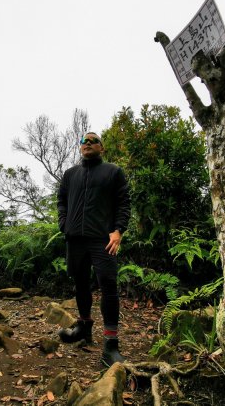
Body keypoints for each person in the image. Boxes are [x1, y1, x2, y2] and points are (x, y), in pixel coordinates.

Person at [56, 131, 131, 366]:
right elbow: (61, 199)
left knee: (108, 286)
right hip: (75, 239)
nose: (87, 143)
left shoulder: (113, 172)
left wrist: (118, 230)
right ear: (80, 148)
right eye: (83, 141)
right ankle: (84, 328)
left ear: (102, 148)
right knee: (80, 284)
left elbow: (123, 202)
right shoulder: (70, 174)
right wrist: (63, 222)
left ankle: (111, 344)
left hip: (103, 239)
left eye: (93, 141)